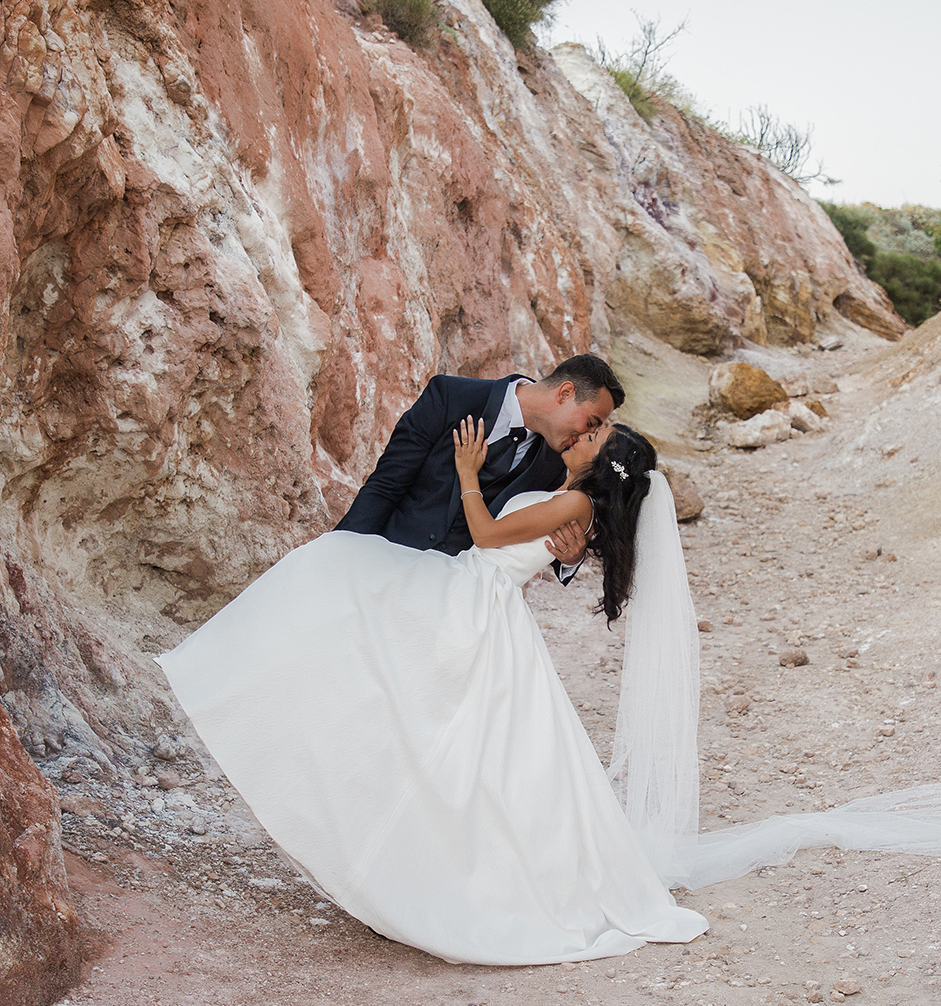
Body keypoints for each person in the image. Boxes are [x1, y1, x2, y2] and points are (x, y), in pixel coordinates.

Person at [159, 419, 710, 965]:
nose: (579, 438)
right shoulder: (573, 499)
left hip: (475, 595)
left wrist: (469, 474)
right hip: (479, 591)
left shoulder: (577, 505)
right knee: (417, 700)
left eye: (591, 439)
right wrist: (562, 553)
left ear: (601, 464)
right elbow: (537, 544)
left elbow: (489, 535)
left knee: (347, 584)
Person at [334, 352, 624, 579]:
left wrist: (571, 559)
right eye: (591, 422)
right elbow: (386, 484)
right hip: (390, 557)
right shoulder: (451, 397)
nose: (586, 435)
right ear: (564, 393)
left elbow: (529, 532)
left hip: (458, 595)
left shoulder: (557, 462)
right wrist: (342, 552)